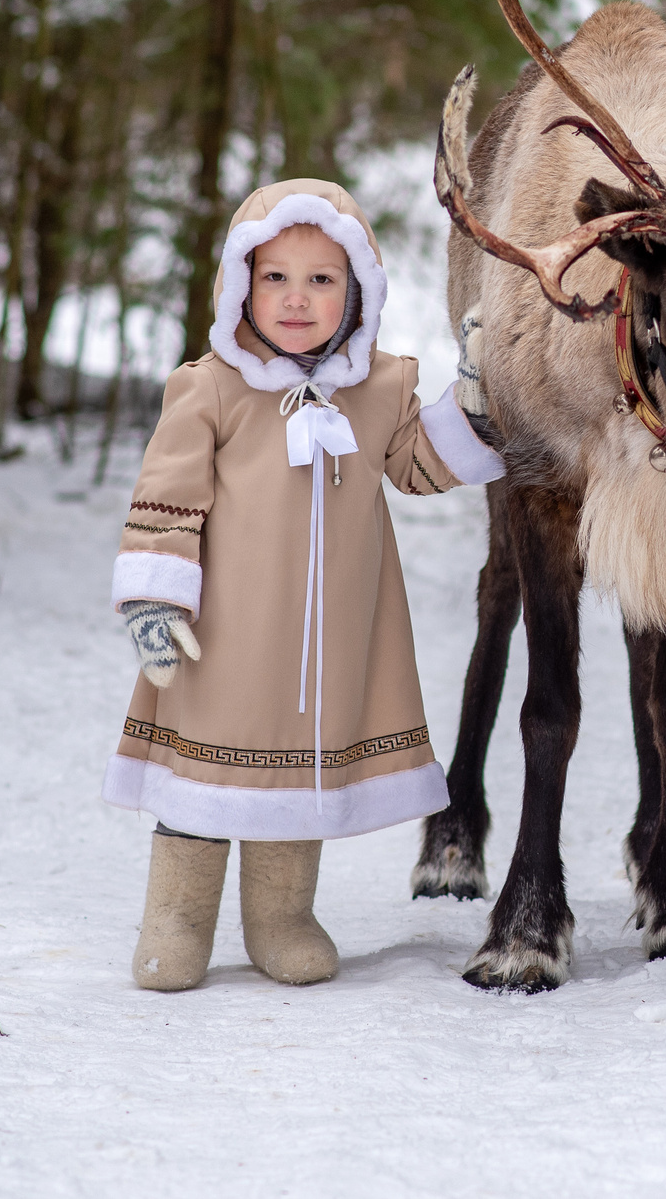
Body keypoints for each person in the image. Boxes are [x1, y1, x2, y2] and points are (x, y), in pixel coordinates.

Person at [103, 178, 504, 990]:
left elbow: (418, 468)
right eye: (275, 276)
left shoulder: (381, 386)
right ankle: (175, 919)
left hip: (332, 640)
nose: (296, 298)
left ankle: (281, 917)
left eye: (322, 279)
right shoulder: (209, 387)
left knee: (299, 771)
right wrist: (155, 595)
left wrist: (477, 396)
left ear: (359, 290)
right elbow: (170, 494)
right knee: (204, 777)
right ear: (239, 283)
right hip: (224, 634)